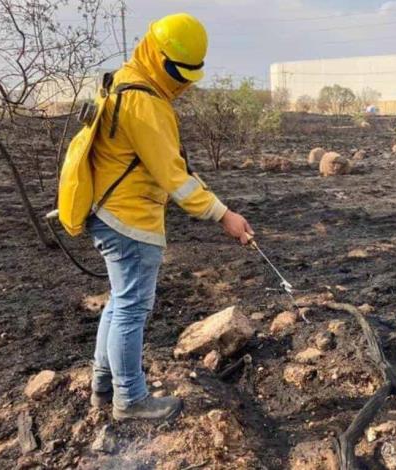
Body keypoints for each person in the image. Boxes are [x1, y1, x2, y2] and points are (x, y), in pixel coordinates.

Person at [86, 13, 253, 421]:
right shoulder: (144, 102)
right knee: (131, 309)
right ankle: (130, 399)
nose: (181, 82)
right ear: (156, 55)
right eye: (177, 72)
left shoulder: (125, 82)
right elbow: (173, 177)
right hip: (128, 219)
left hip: (109, 211)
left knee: (119, 302)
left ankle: (103, 384)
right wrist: (223, 215)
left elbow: (166, 164)